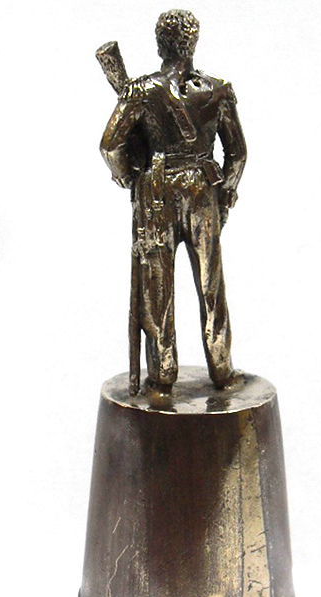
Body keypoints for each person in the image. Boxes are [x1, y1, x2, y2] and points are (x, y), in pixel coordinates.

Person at [100, 9, 247, 391]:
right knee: (211, 284)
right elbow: (237, 153)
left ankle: (162, 373)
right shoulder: (218, 90)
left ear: (158, 44)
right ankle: (221, 368)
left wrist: (130, 176)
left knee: (157, 285)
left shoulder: (141, 91)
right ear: (193, 43)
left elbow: (110, 145)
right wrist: (224, 196)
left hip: (157, 193)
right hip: (203, 192)